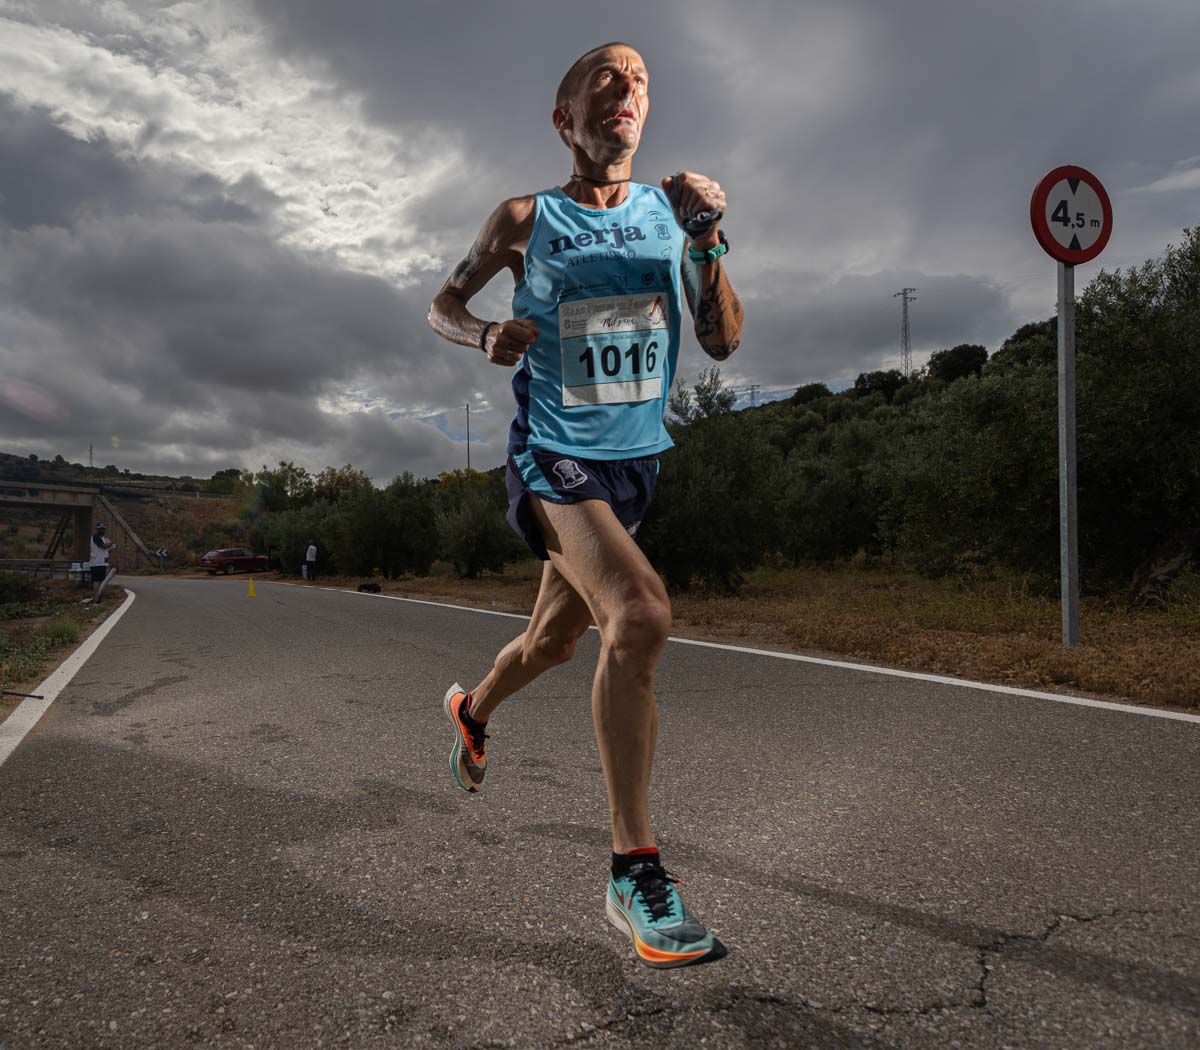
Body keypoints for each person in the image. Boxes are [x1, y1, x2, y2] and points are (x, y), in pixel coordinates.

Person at [428, 42, 744, 969]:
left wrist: (708, 240)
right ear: (563, 116)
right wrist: (484, 329)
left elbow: (722, 342)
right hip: (552, 455)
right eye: (605, 76)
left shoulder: (675, 208)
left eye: (640, 79)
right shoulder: (527, 217)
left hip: (634, 467)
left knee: (552, 644)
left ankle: (472, 710)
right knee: (639, 614)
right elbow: (443, 300)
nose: (627, 87)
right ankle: (633, 868)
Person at [88, 522, 115, 603]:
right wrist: (110, 544)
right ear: (97, 529)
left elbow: (104, 550)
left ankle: (98, 598)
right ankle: (96, 600)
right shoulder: (95, 537)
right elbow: (104, 546)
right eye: (100, 528)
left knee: (100, 581)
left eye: (103, 528)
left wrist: (111, 548)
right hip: (96, 563)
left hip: (102, 562)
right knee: (97, 581)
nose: (102, 530)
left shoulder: (103, 538)